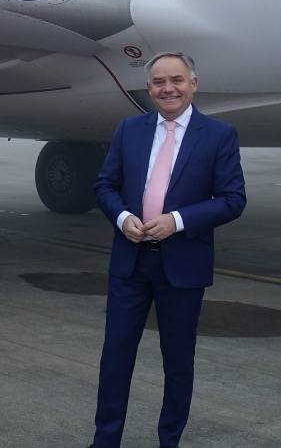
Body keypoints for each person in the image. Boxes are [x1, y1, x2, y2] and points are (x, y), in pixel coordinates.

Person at [87, 51, 246, 448]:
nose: (168, 89)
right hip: (131, 262)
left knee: (177, 363)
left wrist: (177, 220)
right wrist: (123, 219)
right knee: (115, 357)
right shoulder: (130, 130)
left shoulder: (219, 135)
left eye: (176, 80)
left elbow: (232, 199)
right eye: (159, 82)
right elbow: (105, 186)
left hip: (182, 266)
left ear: (193, 84)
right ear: (149, 89)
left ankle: (169, 440)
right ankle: (105, 440)